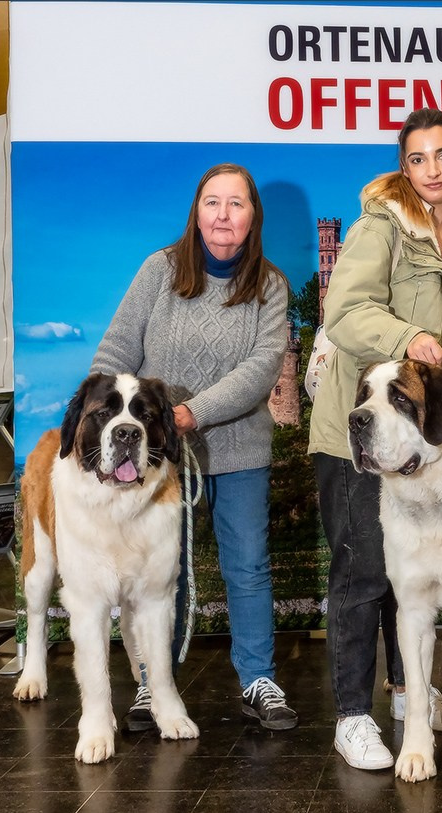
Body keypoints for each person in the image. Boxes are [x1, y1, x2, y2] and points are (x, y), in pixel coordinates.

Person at [308, 108, 442, 771]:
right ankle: (352, 716)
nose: (431, 170)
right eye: (417, 159)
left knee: (416, 581)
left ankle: (408, 695)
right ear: (403, 168)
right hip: (366, 417)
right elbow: (344, 311)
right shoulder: (381, 226)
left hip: (438, 434)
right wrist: (408, 341)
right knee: (364, 572)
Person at [91, 162, 298, 731]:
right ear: (197, 212)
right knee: (162, 572)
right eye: (213, 203)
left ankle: (259, 680)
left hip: (238, 452)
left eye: (236, 204)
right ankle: (150, 685)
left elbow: (261, 372)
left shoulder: (271, 287)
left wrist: (190, 412)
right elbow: (113, 355)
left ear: (252, 216)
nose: (223, 215)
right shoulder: (158, 271)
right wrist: (107, 422)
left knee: (247, 569)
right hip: (159, 462)